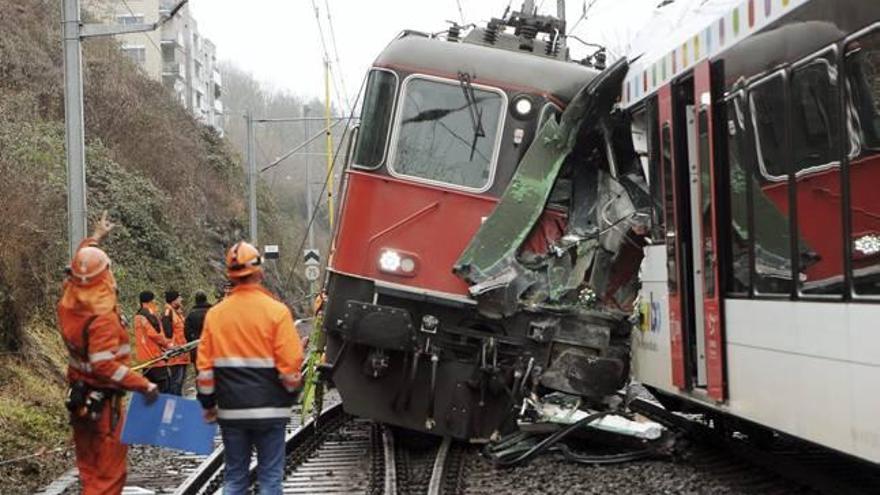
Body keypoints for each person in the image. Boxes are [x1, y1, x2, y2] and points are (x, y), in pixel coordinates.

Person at [57, 211, 159, 495]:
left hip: (80, 397)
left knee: (89, 471)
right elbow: (106, 367)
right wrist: (144, 385)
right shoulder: (100, 316)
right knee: (108, 477)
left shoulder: (70, 299)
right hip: (104, 404)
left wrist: (95, 238)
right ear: (105, 275)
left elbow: (81, 265)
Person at [196, 241, 304, 495]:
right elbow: (290, 369)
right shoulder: (277, 312)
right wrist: (290, 396)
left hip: (232, 412)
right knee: (270, 479)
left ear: (229, 275)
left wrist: (209, 406)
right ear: (259, 271)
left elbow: (204, 371)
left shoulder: (216, 315)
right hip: (271, 410)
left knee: (234, 478)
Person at [133, 291, 173, 394]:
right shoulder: (149, 314)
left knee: (151, 392)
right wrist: (167, 345)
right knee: (164, 390)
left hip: (145, 361)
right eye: (154, 300)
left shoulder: (137, 316)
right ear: (150, 301)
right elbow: (155, 334)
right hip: (156, 359)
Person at [162, 290, 189, 396]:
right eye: (179, 298)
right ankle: (173, 404)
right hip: (175, 355)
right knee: (176, 383)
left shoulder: (177, 312)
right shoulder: (168, 313)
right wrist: (171, 348)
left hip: (182, 353)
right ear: (174, 300)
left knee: (180, 382)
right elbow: (167, 334)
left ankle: (178, 403)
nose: (181, 300)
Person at [184, 290, 211, 373]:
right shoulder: (213, 312)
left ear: (195, 300)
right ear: (206, 299)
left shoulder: (191, 315)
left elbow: (187, 333)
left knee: (199, 373)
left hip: (197, 349)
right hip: (212, 348)